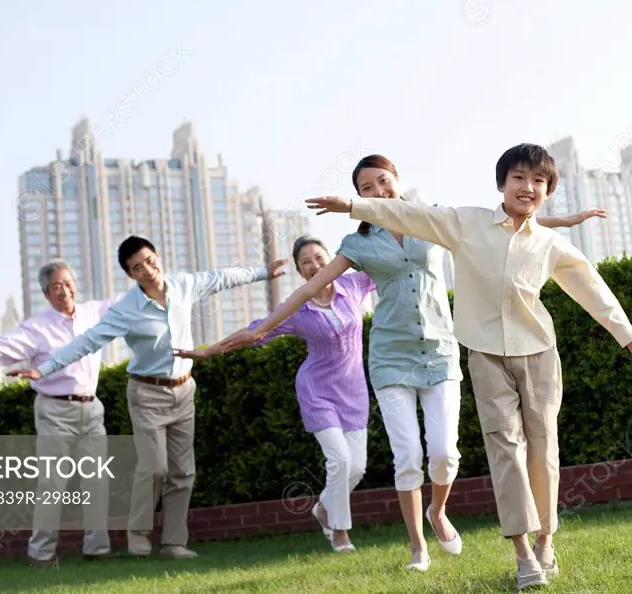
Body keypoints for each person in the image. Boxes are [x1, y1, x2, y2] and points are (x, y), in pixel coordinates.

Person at [219, 155, 605, 572]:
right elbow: (312, 286)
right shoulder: (358, 245)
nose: (378, 192)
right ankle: (418, 549)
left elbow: (497, 228)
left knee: (443, 454)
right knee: (407, 457)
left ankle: (437, 512)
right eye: (366, 189)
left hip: (439, 350)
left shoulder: (431, 220)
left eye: (383, 182)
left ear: (398, 181)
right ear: (360, 197)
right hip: (390, 357)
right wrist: (262, 328)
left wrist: (562, 222)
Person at [304, 144, 632, 590]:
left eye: (537, 181)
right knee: (504, 448)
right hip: (485, 354)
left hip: (539, 355)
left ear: (548, 191)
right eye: (518, 178)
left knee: (543, 447)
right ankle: (522, 552)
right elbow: (410, 216)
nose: (527, 187)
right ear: (502, 184)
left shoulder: (549, 243)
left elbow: (590, 286)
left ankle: (547, 537)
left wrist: (627, 336)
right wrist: (352, 205)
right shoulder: (467, 222)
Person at [8, 235, 288, 560]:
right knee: (155, 468)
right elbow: (87, 341)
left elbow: (220, 278)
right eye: (136, 268)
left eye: (149, 261)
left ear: (158, 256)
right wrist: (45, 369)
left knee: (184, 471)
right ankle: (138, 540)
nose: (147, 269)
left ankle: (173, 543)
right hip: (147, 394)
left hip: (184, 390)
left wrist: (263, 272)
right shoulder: (126, 309)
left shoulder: (183, 284)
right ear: (131, 275)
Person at [174, 236, 376, 553]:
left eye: (320, 258)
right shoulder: (297, 308)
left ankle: (324, 508)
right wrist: (210, 350)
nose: (315, 265)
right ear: (299, 270)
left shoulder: (353, 285)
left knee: (357, 467)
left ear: (332, 259)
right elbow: (256, 331)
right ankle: (340, 533)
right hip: (317, 391)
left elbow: (390, 268)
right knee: (339, 459)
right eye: (306, 261)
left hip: (354, 391)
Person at [0, 260, 123, 568]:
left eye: (67, 282)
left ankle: (97, 548)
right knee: (53, 484)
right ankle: (41, 554)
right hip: (55, 412)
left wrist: (159, 284)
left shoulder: (93, 313)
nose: (64, 290)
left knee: (97, 481)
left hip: (92, 409)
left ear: (75, 283)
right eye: (56, 286)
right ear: (46, 294)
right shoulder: (37, 328)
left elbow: (127, 302)